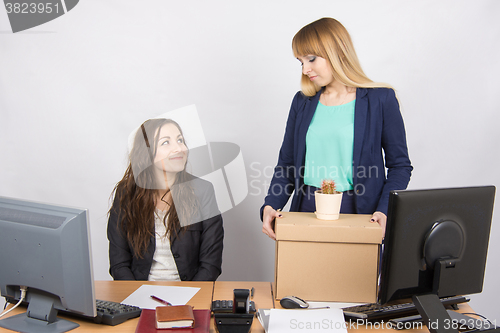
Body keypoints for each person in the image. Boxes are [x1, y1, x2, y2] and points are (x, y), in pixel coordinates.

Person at [261, 18, 412, 240]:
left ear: (338, 52)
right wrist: (271, 204)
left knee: (354, 276)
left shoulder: (381, 99)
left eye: (311, 59)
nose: (305, 69)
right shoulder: (302, 102)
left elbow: (400, 166)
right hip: (306, 209)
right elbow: (286, 165)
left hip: (361, 213)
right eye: (300, 62)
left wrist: (384, 210)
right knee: (301, 275)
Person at [108, 118, 224, 281]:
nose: (179, 148)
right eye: (165, 143)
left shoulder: (203, 190)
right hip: (139, 294)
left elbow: (210, 265)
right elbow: (119, 264)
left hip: (190, 294)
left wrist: (189, 298)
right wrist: (136, 298)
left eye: (180, 140)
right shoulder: (126, 193)